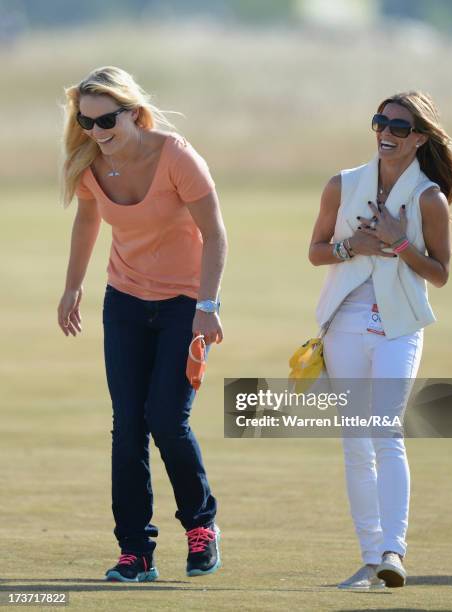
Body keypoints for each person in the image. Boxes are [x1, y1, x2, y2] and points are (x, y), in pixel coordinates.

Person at [57, 66, 227, 582]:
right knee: (127, 428)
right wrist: (72, 285)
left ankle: (201, 528)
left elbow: (215, 236)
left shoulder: (175, 156)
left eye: (106, 119)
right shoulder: (89, 162)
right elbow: (88, 219)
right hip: (125, 302)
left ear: (132, 112)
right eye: (86, 122)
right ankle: (136, 551)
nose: (97, 131)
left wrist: (208, 305)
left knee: (167, 421)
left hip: (183, 304)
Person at [308, 91, 452, 589]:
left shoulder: (429, 198)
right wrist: (346, 246)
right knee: (356, 441)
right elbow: (316, 252)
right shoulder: (342, 184)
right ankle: (372, 557)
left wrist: (399, 243)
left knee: (385, 432)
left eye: (400, 127)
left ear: (419, 138)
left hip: (398, 327)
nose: (387, 134)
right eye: (381, 123)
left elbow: (439, 274)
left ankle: (394, 551)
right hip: (345, 324)